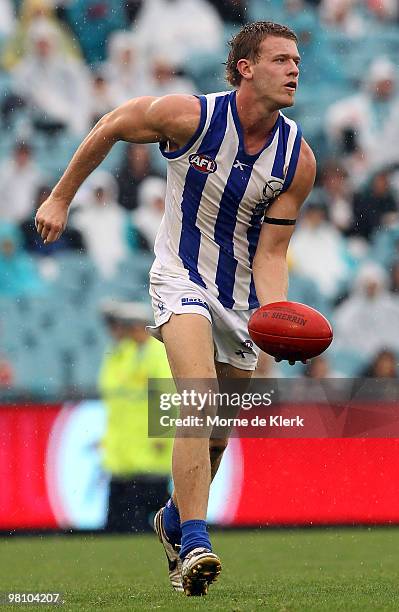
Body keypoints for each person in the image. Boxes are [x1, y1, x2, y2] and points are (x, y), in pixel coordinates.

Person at [34, 21, 316, 596]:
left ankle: (170, 519)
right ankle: (194, 540)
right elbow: (111, 124)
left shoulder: (298, 158)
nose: (294, 69)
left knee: (218, 432)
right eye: (281, 59)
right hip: (179, 277)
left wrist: (278, 315)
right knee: (197, 397)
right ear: (245, 67)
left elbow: (273, 251)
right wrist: (61, 196)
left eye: (297, 61)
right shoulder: (190, 116)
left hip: (240, 297)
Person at [98, 301, 172, 533]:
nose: (115, 331)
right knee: (121, 524)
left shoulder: (157, 353)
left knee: (144, 519)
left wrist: (162, 435)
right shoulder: (121, 355)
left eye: (120, 325)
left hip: (149, 451)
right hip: (123, 454)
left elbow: (167, 394)